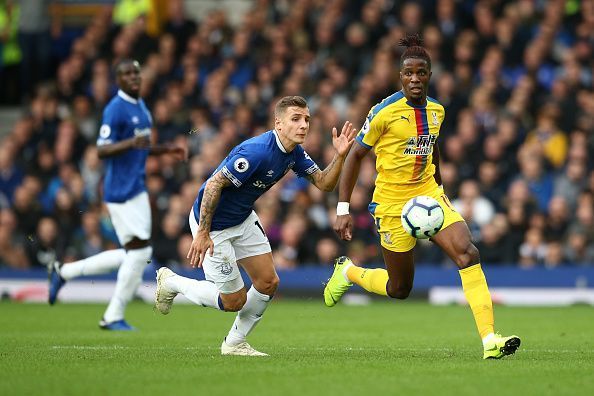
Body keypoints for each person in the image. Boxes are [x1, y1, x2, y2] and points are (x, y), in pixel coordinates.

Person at [324, 35, 521, 360]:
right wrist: (343, 208)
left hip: (428, 195)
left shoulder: (437, 111)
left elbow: (432, 147)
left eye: (421, 73)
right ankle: (348, 272)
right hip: (390, 204)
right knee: (399, 289)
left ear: (429, 75)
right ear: (400, 76)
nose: (414, 79)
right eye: (408, 73)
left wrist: (440, 189)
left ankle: (490, 340)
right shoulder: (384, 111)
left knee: (467, 253)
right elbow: (356, 156)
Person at [154, 95, 356, 356]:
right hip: (214, 224)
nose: (303, 125)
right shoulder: (257, 152)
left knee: (268, 282)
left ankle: (235, 343)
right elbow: (214, 184)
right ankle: (171, 282)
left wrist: (340, 156)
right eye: (295, 119)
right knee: (233, 301)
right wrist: (203, 232)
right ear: (279, 124)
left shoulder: (294, 153)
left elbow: (324, 183)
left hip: (243, 218)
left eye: (306, 119)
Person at [48, 59, 185, 330]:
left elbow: (141, 147)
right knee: (140, 252)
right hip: (121, 190)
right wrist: (130, 143)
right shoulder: (115, 109)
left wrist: (165, 149)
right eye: (127, 74)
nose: (134, 77)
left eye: (136, 72)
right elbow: (101, 149)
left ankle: (64, 272)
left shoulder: (141, 106)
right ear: (118, 79)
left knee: (134, 253)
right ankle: (112, 315)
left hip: (136, 186)